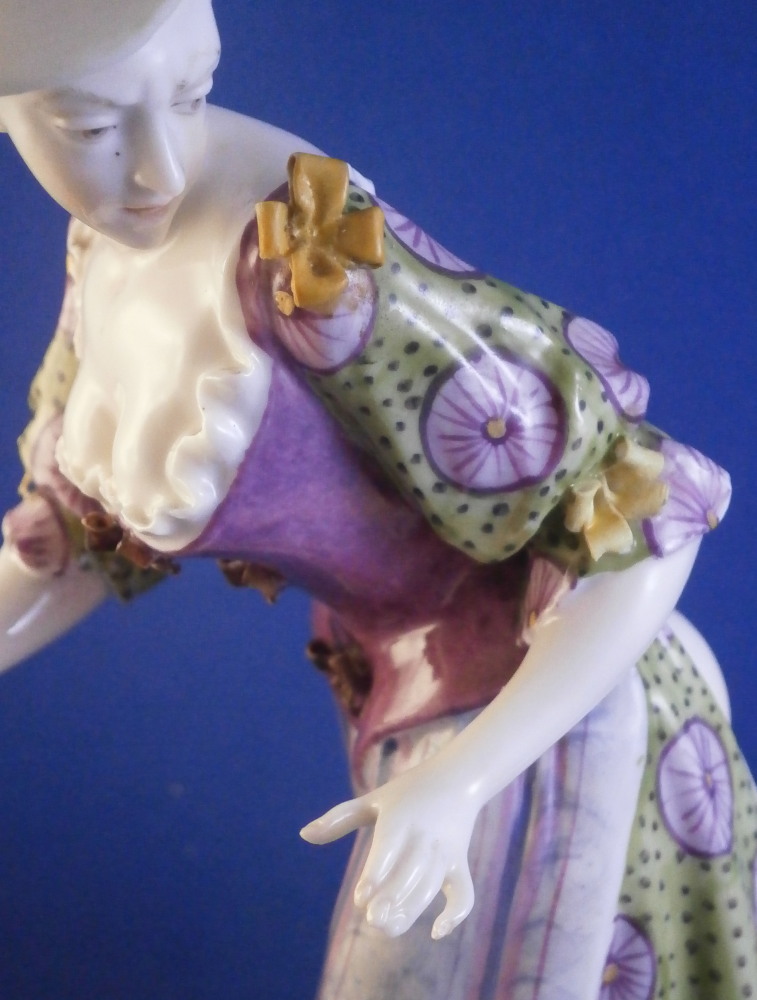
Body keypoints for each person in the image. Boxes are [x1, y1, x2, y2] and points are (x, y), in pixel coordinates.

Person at [0, 1, 754, 996]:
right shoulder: (101, 249)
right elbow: (77, 539)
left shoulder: (312, 254)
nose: (158, 171)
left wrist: (462, 778)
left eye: (190, 93)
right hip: (410, 738)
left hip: (545, 723)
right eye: (91, 128)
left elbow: (641, 501)